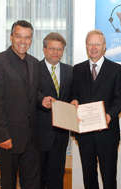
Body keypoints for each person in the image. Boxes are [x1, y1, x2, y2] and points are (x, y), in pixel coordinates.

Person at [0, 20, 48, 189]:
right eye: (19, 36)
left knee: (32, 183)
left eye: (27, 37)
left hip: (32, 139)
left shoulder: (34, 62)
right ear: (11, 37)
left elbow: (32, 93)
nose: (23, 41)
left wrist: (42, 100)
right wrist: (2, 136)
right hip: (8, 138)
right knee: (9, 184)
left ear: (32, 40)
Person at [71, 30, 121, 189]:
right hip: (84, 133)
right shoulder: (78, 69)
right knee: (88, 176)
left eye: (97, 44)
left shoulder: (116, 69)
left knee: (109, 177)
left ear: (104, 47)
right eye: (90, 44)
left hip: (107, 133)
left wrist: (109, 114)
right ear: (86, 46)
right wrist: (73, 100)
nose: (93, 47)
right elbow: (74, 94)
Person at [36, 32, 73, 189]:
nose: (55, 52)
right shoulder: (34, 68)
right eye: (52, 48)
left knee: (57, 176)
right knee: (38, 177)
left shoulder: (70, 70)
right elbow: (29, 93)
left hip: (61, 134)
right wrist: (40, 100)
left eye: (59, 49)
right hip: (39, 134)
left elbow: (74, 95)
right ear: (44, 50)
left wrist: (75, 100)